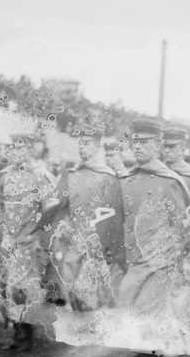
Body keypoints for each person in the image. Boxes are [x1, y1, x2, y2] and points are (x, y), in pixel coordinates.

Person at [115, 118, 190, 357]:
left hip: (159, 265)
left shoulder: (171, 182)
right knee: (131, 313)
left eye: (145, 142)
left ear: (157, 145)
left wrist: (181, 262)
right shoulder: (127, 179)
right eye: (136, 142)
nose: (139, 147)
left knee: (142, 317)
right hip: (133, 263)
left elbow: (186, 225)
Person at [41, 124, 126, 314]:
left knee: (92, 294)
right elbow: (56, 204)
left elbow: (115, 215)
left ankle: (90, 330)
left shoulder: (109, 177)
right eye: (80, 144)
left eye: (86, 144)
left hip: (98, 243)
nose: (82, 148)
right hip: (73, 241)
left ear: (97, 146)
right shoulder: (70, 174)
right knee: (71, 287)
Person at [0, 133, 56, 350]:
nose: (15, 152)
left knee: (25, 289)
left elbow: (51, 209)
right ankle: (18, 333)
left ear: (29, 150)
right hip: (9, 242)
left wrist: (38, 235)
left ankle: (25, 336)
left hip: (31, 242)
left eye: (20, 148)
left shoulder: (40, 176)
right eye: (11, 148)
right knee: (10, 288)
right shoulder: (3, 176)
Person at [162, 127, 190, 196]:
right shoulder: (158, 171)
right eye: (165, 146)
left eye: (171, 147)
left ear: (183, 147)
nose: (167, 150)